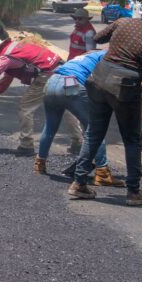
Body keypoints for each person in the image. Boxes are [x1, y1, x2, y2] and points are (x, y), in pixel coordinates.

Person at [69, 0, 142, 206]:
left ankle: (78, 183)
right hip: (124, 87)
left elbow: (97, 37)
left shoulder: (123, 22)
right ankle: (133, 192)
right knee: (131, 139)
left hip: (97, 79)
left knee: (94, 133)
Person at [0, 34, 83, 154]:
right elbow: (7, 79)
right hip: (64, 69)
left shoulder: (4, 58)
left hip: (47, 74)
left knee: (25, 108)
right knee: (67, 107)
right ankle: (78, 142)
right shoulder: (14, 49)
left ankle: (26, 145)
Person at [34, 50, 124, 186]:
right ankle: (102, 173)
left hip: (52, 82)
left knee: (50, 126)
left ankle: (39, 164)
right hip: (70, 81)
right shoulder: (108, 56)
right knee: (95, 128)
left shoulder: (84, 57)